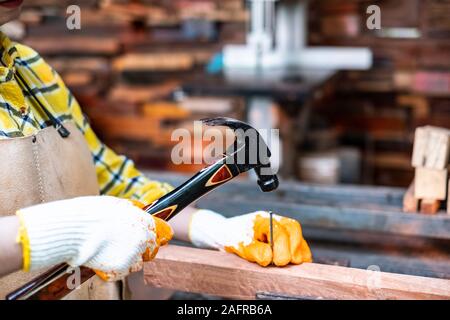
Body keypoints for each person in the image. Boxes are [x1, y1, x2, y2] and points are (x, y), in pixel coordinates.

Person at [0, 0, 312, 300]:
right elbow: (86, 222)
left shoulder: (32, 70)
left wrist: (211, 228)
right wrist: (59, 231)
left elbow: (116, 184)